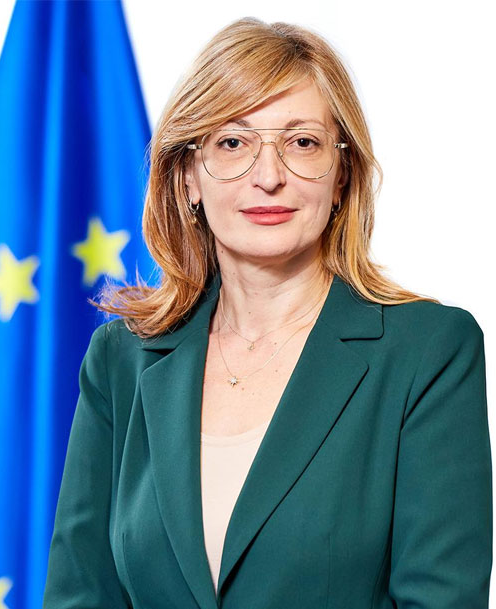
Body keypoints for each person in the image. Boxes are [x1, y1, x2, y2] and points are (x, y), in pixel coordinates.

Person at [42, 17, 492, 609]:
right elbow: (79, 595)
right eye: (233, 143)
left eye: (302, 142)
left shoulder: (428, 352)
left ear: (342, 175)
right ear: (187, 177)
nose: (269, 176)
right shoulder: (120, 358)